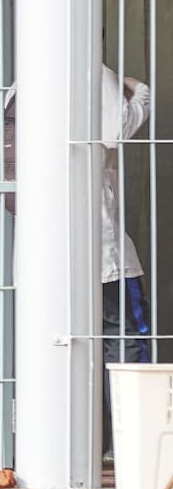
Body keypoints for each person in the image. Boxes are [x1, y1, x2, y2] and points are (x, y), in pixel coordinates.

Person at [100, 65, 152, 460]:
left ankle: (85, 443)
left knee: (75, 343)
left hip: (46, 248)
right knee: (127, 339)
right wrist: (139, 92)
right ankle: (137, 442)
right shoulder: (91, 72)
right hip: (102, 245)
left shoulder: (21, 81)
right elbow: (118, 130)